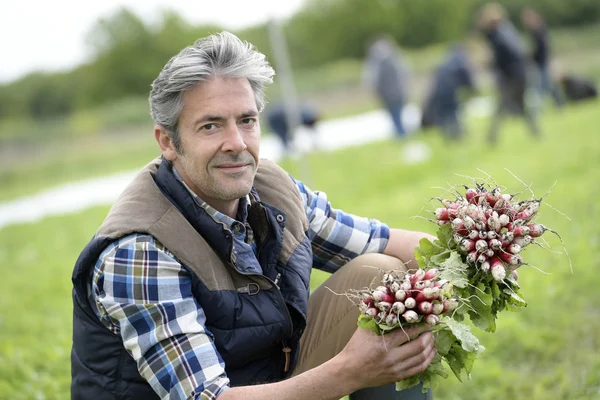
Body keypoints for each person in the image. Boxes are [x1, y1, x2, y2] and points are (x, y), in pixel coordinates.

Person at [70, 32, 437, 400]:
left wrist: (475, 248)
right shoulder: (139, 250)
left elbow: (379, 241)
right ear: (167, 142)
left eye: (246, 120)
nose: (237, 143)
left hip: (264, 380)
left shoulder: (269, 186)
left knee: (382, 274)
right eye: (211, 125)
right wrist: (353, 371)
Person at [477, 2, 541, 145]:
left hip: (512, 76)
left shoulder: (498, 35)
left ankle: (491, 137)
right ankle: (535, 131)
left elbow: (505, 55)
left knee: (502, 106)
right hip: (519, 73)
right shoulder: (507, 30)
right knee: (520, 105)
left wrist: (491, 63)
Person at [421, 44, 477, 140]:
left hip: (438, 92)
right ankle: (457, 136)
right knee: (452, 113)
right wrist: (473, 89)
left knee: (444, 115)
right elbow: (466, 77)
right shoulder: (460, 61)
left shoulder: (445, 61)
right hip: (450, 92)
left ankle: (448, 136)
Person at [363, 35, 409, 138]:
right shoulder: (395, 59)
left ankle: (401, 135)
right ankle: (401, 135)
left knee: (395, 117)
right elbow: (404, 75)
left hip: (389, 95)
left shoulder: (377, 64)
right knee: (397, 116)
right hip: (397, 93)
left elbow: (374, 82)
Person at [520, 7, 564, 108]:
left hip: (542, 60)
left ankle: (554, 104)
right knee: (548, 84)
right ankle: (559, 103)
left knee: (545, 84)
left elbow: (542, 48)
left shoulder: (538, 30)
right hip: (541, 60)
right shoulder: (537, 30)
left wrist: (532, 57)